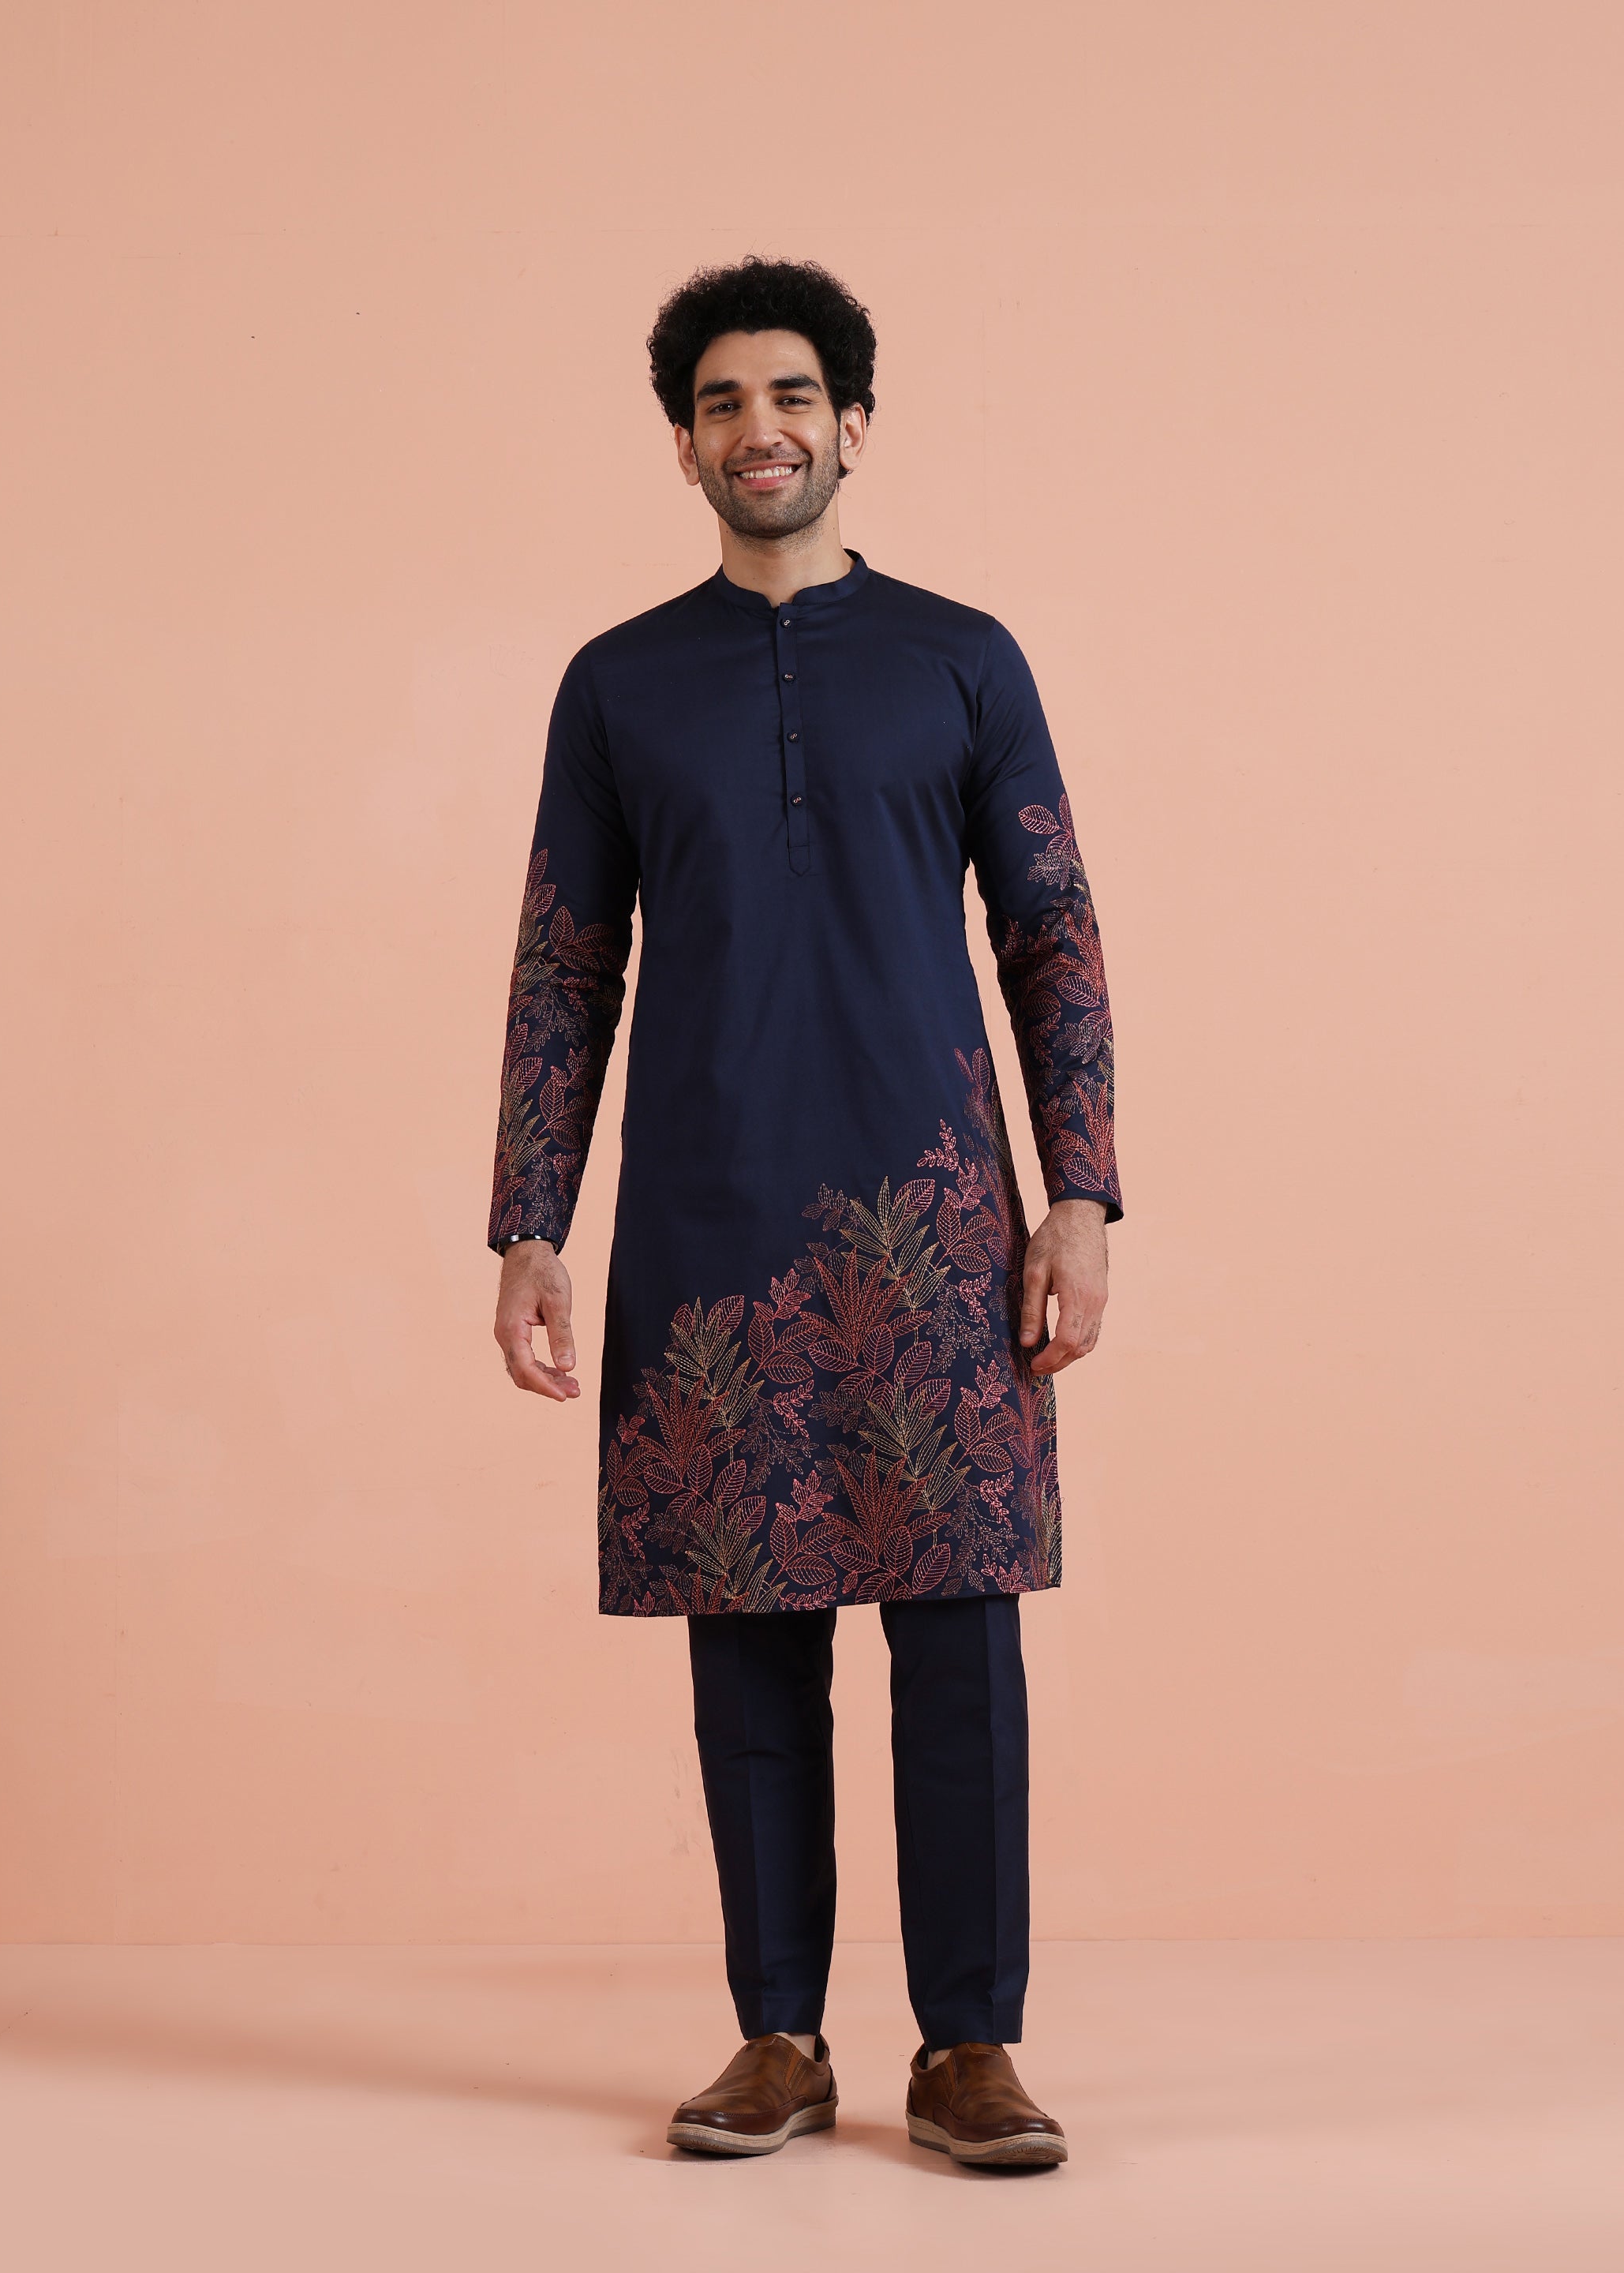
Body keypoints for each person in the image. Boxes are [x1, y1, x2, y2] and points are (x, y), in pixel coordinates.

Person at [490, 257, 1121, 2167]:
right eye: (718, 404)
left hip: (936, 1215)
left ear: (852, 423)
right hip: (709, 1212)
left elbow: (1052, 933)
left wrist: (1080, 1194)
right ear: (682, 447)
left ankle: (969, 2047)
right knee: (746, 1628)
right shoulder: (618, 684)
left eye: (789, 396)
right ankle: (778, 2035)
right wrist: (531, 1223)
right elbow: (567, 962)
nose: (756, 429)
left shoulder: (962, 658)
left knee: (961, 1634)